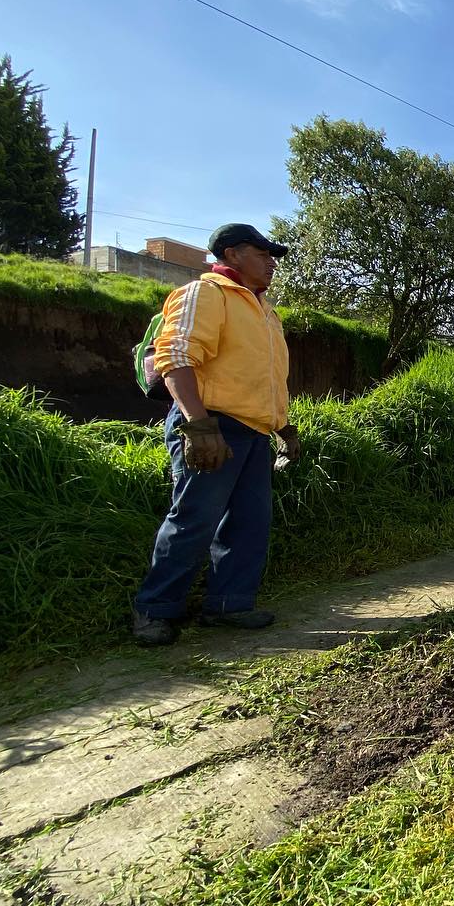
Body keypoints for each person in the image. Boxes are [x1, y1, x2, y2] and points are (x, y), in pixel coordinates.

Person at [133, 223, 299, 647]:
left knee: (249, 522)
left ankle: (229, 603)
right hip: (211, 424)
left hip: (253, 432)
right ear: (232, 253)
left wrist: (283, 427)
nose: (272, 262)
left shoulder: (264, 313)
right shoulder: (204, 294)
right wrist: (198, 424)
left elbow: (266, 379)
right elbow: (175, 358)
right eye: (263, 253)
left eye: (272, 255)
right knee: (194, 518)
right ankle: (155, 608)